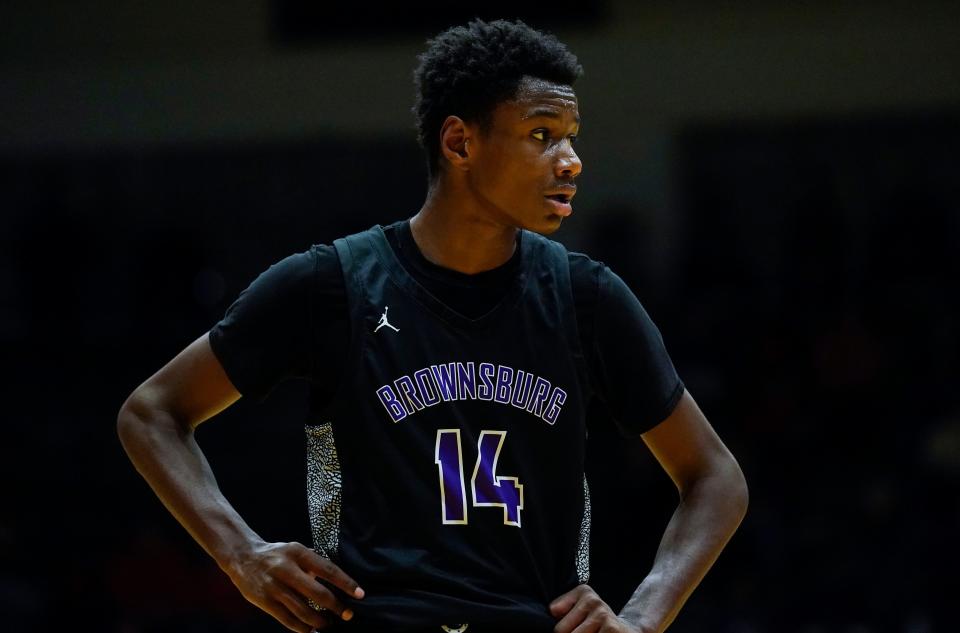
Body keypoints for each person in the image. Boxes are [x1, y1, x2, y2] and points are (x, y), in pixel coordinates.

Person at [117, 18, 748, 633]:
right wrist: (241, 555)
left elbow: (716, 478)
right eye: (541, 133)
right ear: (460, 143)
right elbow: (152, 413)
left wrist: (641, 619)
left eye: (571, 135)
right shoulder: (333, 285)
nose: (571, 160)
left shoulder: (587, 298)